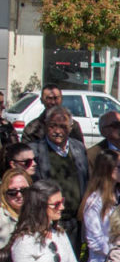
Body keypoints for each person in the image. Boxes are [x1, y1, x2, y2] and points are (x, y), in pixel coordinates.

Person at [31, 105, 88, 251]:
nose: (57, 131)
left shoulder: (79, 148)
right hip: (48, 221)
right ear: (45, 126)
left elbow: (86, 179)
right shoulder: (35, 151)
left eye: (62, 127)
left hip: (75, 221)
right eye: (53, 126)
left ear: (70, 128)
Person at [80, 149, 120, 262]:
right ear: (107, 169)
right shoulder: (94, 201)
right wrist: (117, 253)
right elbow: (94, 241)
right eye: (119, 167)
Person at [0, 168, 29, 247]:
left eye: (24, 190)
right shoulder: (2, 219)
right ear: (4, 194)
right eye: (12, 192)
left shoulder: (41, 215)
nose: (19, 195)